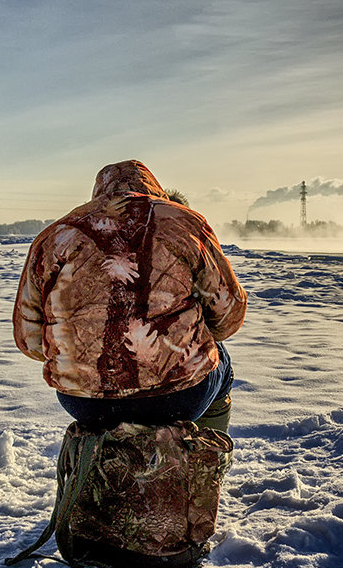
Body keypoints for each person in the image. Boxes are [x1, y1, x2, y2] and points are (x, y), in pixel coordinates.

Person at [13, 160, 247, 432]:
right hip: (179, 397)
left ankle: (95, 456)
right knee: (220, 359)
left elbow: (29, 339)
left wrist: (81, 358)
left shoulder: (55, 235)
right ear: (153, 188)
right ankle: (203, 458)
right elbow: (229, 316)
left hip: (84, 402)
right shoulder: (185, 222)